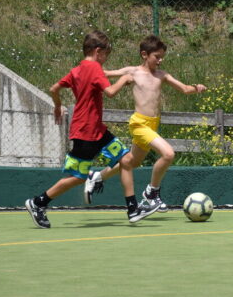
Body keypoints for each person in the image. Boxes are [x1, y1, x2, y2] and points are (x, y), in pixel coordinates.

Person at [24, 31, 154, 228]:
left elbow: (53, 89)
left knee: (126, 159)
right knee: (78, 178)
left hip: (98, 131)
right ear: (98, 51)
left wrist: (58, 105)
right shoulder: (94, 68)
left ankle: (133, 209)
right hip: (86, 132)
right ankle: (38, 202)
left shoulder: (76, 70)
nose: (105, 60)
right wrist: (124, 79)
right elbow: (110, 92)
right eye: (106, 55)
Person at [95, 35, 206, 213]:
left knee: (131, 161)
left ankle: (98, 176)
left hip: (152, 124)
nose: (160, 61)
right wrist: (89, 65)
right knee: (168, 154)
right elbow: (105, 73)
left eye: (162, 57)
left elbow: (184, 89)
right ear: (144, 54)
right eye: (157, 57)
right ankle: (152, 193)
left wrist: (196, 87)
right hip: (139, 124)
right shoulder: (133, 72)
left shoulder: (162, 75)